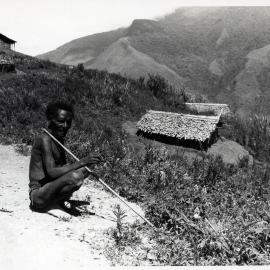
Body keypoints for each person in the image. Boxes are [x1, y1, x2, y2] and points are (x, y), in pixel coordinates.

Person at [29, 101, 101, 214]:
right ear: (51, 120)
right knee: (76, 176)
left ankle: (58, 201)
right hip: (39, 195)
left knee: (87, 168)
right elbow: (52, 172)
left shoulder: (58, 139)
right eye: (61, 121)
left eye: (68, 122)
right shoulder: (44, 139)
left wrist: (87, 164)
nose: (65, 126)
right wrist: (81, 162)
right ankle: (57, 202)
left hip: (51, 187)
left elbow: (61, 168)